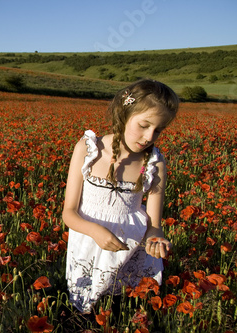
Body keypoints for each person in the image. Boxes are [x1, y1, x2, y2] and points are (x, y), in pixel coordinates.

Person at [62, 79, 179, 314]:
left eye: (158, 130)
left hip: (129, 249)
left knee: (122, 309)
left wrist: (155, 239)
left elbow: (154, 225)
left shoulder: (155, 162)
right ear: (124, 113)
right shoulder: (88, 149)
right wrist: (95, 231)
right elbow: (69, 213)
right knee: (85, 310)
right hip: (88, 243)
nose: (149, 137)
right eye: (144, 125)